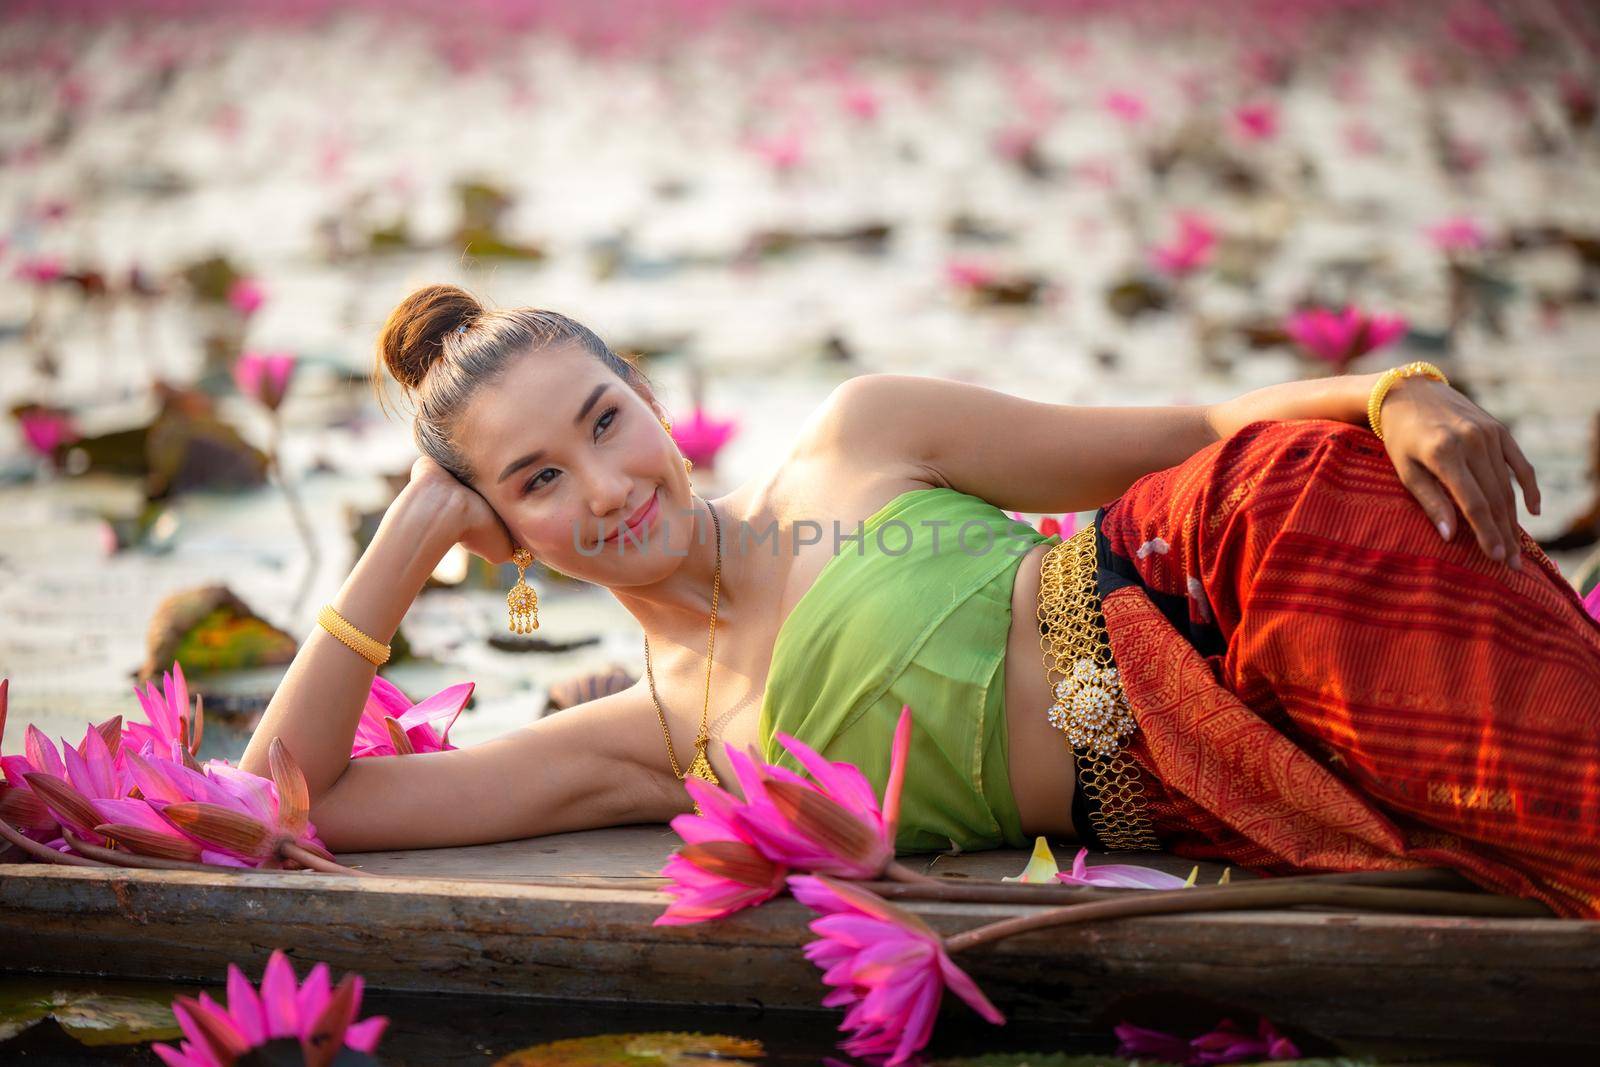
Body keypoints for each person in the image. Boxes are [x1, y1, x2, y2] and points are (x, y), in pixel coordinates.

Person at [240, 284, 1600, 917]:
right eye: (535, 481)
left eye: (606, 420)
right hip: (1208, 778)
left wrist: (1390, 389)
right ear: (509, 536)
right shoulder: (660, 741)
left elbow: (1190, 426)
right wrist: (408, 535)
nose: (603, 484)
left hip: (1256, 561)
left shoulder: (858, 438)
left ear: (650, 396)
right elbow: (296, 805)